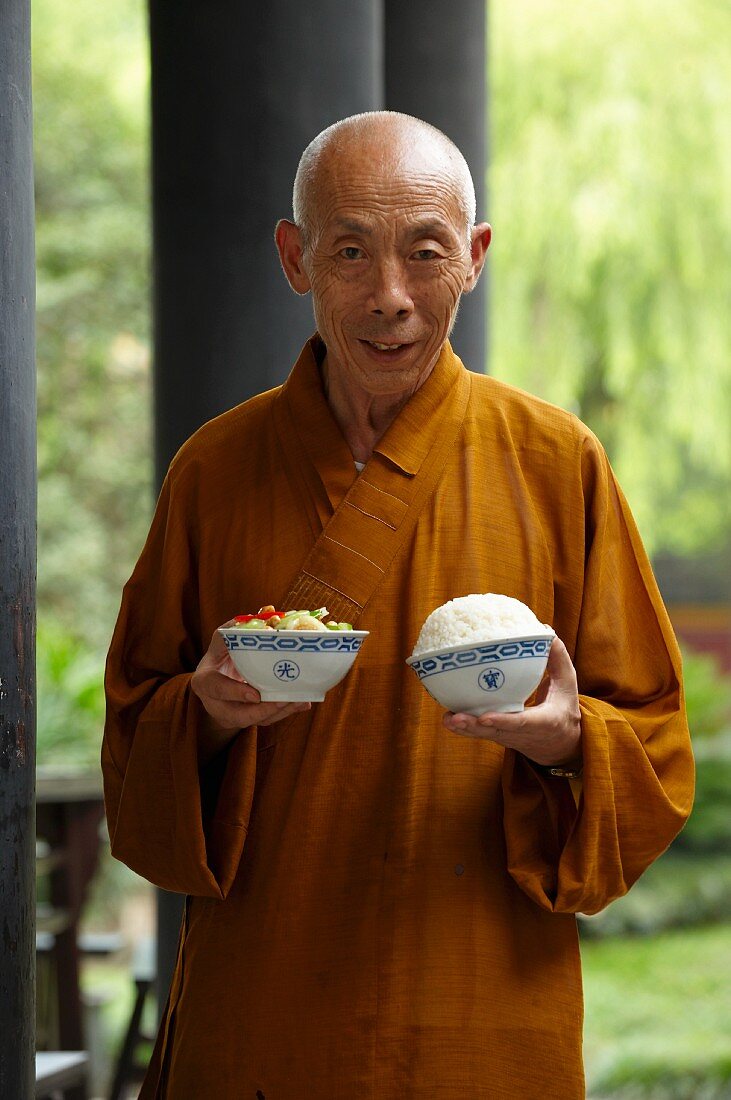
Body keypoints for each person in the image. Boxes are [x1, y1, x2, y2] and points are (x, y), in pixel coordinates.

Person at [102, 112, 694, 1099]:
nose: (389, 297)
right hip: (265, 1013)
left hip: (478, 1008)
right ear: (294, 258)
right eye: (348, 252)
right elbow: (130, 751)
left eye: (424, 254)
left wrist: (563, 740)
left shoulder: (556, 464)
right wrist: (199, 712)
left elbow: (654, 750)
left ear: (473, 257)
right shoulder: (213, 471)